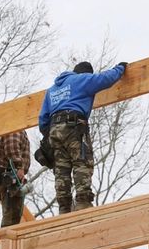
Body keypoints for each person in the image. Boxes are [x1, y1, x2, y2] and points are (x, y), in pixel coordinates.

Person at [38, 61, 126, 213]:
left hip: (54, 130)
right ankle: (83, 203)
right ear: (85, 73)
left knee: (61, 169)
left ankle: (64, 208)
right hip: (74, 127)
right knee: (82, 162)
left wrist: (49, 136)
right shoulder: (81, 80)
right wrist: (121, 68)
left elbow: (43, 119)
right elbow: (105, 79)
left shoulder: (52, 90)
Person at [0, 130, 31, 227]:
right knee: (11, 219)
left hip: (12, 174)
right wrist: (19, 166)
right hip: (11, 174)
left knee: (13, 217)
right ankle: (3, 242)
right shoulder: (15, 127)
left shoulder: (18, 128)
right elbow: (12, 147)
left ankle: (3, 241)